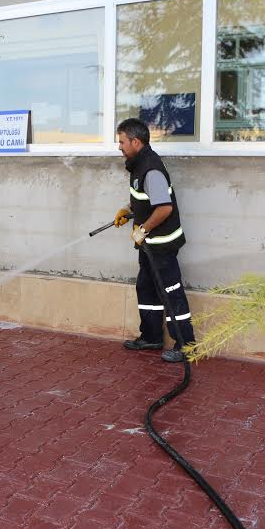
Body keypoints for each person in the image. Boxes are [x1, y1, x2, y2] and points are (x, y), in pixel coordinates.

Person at [113, 118, 195, 363]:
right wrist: (128, 211)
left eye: (122, 142)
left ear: (136, 142)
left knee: (171, 293)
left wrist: (142, 230)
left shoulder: (151, 169)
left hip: (162, 246)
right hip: (149, 246)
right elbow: (145, 200)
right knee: (146, 288)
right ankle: (151, 337)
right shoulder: (138, 165)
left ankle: (186, 346)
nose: (119, 147)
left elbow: (164, 209)